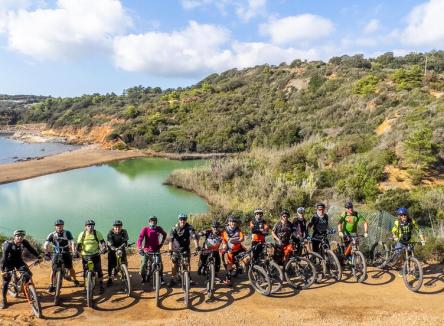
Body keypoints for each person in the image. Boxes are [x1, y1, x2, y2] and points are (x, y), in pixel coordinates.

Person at [1, 230, 41, 309]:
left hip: (18, 261)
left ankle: (27, 289)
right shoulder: (8, 245)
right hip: (8, 262)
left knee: (28, 274)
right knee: (6, 281)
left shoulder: (24, 242)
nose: (20, 237)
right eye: (18, 236)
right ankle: (4, 300)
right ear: (14, 237)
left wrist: (38, 256)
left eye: (22, 236)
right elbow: (4, 258)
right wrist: (3, 270)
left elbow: (31, 249)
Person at [44, 219, 80, 293]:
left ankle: (75, 280)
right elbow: (46, 244)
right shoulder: (52, 234)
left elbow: (72, 242)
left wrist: (73, 251)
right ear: (55, 226)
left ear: (63, 226)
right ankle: (51, 284)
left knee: (70, 268)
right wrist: (46, 253)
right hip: (56, 253)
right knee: (53, 270)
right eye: (57, 225)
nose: (59, 227)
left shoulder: (67, 233)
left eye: (60, 225)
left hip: (66, 252)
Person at [168, 213, 199, 287]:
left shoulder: (189, 227)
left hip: (185, 249)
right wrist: (170, 250)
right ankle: (172, 279)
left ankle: (188, 277)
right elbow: (170, 240)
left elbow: (194, 237)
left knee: (186, 263)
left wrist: (197, 246)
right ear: (179, 220)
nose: (182, 221)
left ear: (186, 220)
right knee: (174, 264)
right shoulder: (174, 228)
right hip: (176, 249)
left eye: (184, 219)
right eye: (181, 219)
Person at [77, 220, 106, 294]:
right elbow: (79, 244)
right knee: (85, 271)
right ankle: (85, 286)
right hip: (85, 255)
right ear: (85, 227)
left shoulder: (97, 233)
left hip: (96, 254)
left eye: (92, 225)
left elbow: (102, 242)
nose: (90, 227)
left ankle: (101, 284)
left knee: (99, 270)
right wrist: (78, 251)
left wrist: (103, 248)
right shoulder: (82, 234)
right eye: (88, 226)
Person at [137, 216, 167, 284]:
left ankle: (161, 278)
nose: (153, 222)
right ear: (149, 222)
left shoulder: (158, 228)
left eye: (154, 221)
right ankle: (143, 277)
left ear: (156, 222)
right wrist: (140, 248)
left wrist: (161, 243)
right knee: (143, 265)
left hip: (156, 250)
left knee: (160, 264)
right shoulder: (145, 229)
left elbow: (165, 234)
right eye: (151, 221)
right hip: (147, 251)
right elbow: (140, 239)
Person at [220, 215, 245, 286]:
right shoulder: (225, 231)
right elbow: (228, 240)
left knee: (248, 258)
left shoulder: (238, 229)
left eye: (234, 222)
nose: (233, 223)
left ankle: (240, 267)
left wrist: (234, 240)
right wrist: (237, 239)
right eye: (231, 222)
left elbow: (242, 238)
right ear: (228, 222)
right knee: (230, 264)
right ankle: (228, 278)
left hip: (239, 248)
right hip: (230, 250)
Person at [106, 220, 129, 286]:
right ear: (113, 227)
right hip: (112, 248)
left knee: (124, 261)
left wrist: (125, 245)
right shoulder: (110, 233)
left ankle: (124, 274)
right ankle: (110, 278)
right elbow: (110, 243)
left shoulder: (124, 232)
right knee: (111, 264)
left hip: (121, 247)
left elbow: (125, 240)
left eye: (119, 227)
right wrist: (114, 248)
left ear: (121, 227)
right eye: (116, 227)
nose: (117, 228)